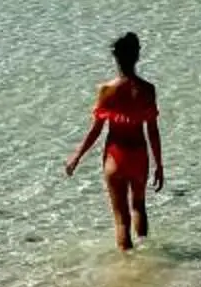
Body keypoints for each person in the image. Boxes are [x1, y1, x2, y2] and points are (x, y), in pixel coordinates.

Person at [66, 31, 163, 251]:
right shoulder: (148, 90)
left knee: (121, 219)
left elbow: (96, 130)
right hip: (138, 155)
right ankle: (145, 254)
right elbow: (153, 131)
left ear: (116, 59)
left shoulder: (106, 90)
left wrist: (77, 156)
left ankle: (127, 267)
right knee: (139, 207)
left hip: (115, 156)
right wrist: (159, 165)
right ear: (137, 56)